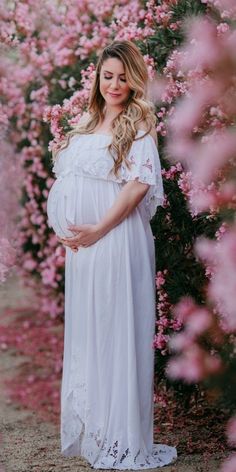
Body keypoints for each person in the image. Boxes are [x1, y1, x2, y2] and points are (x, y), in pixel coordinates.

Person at [47, 40, 177, 469]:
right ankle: (100, 434)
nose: (115, 84)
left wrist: (99, 229)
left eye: (123, 76)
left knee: (118, 331)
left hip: (117, 240)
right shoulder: (88, 121)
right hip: (85, 250)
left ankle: (123, 439)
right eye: (108, 76)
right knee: (93, 333)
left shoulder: (138, 122)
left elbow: (138, 185)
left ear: (134, 79)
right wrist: (70, 229)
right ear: (97, 78)